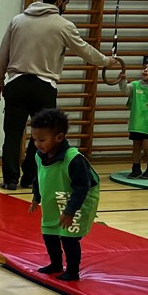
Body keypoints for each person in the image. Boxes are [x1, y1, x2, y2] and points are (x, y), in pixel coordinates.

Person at [0, 0, 120, 190]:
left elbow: (3, 52)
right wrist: (106, 61)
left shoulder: (18, 20)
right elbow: (84, 50)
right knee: (42, 136)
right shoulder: (63, 25)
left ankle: (10, 179)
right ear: (60, 1)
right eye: (66, 3)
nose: (65, 8)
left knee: (12, 134)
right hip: (43, 87)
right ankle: (30, 177)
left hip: (16, 84)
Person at [27, 108, 99, 282]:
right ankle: (56, 264)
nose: (37, 144)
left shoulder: (74, 159)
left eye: (41, 140)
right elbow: (39, 178)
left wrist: (70, 210)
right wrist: (36, 197)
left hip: (77, 201)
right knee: (49, 233)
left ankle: (73, 271)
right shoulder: (40, 155)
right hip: (54, 198)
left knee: (69, 237)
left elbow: (82, 187)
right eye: (34, 139)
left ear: (59, 138)